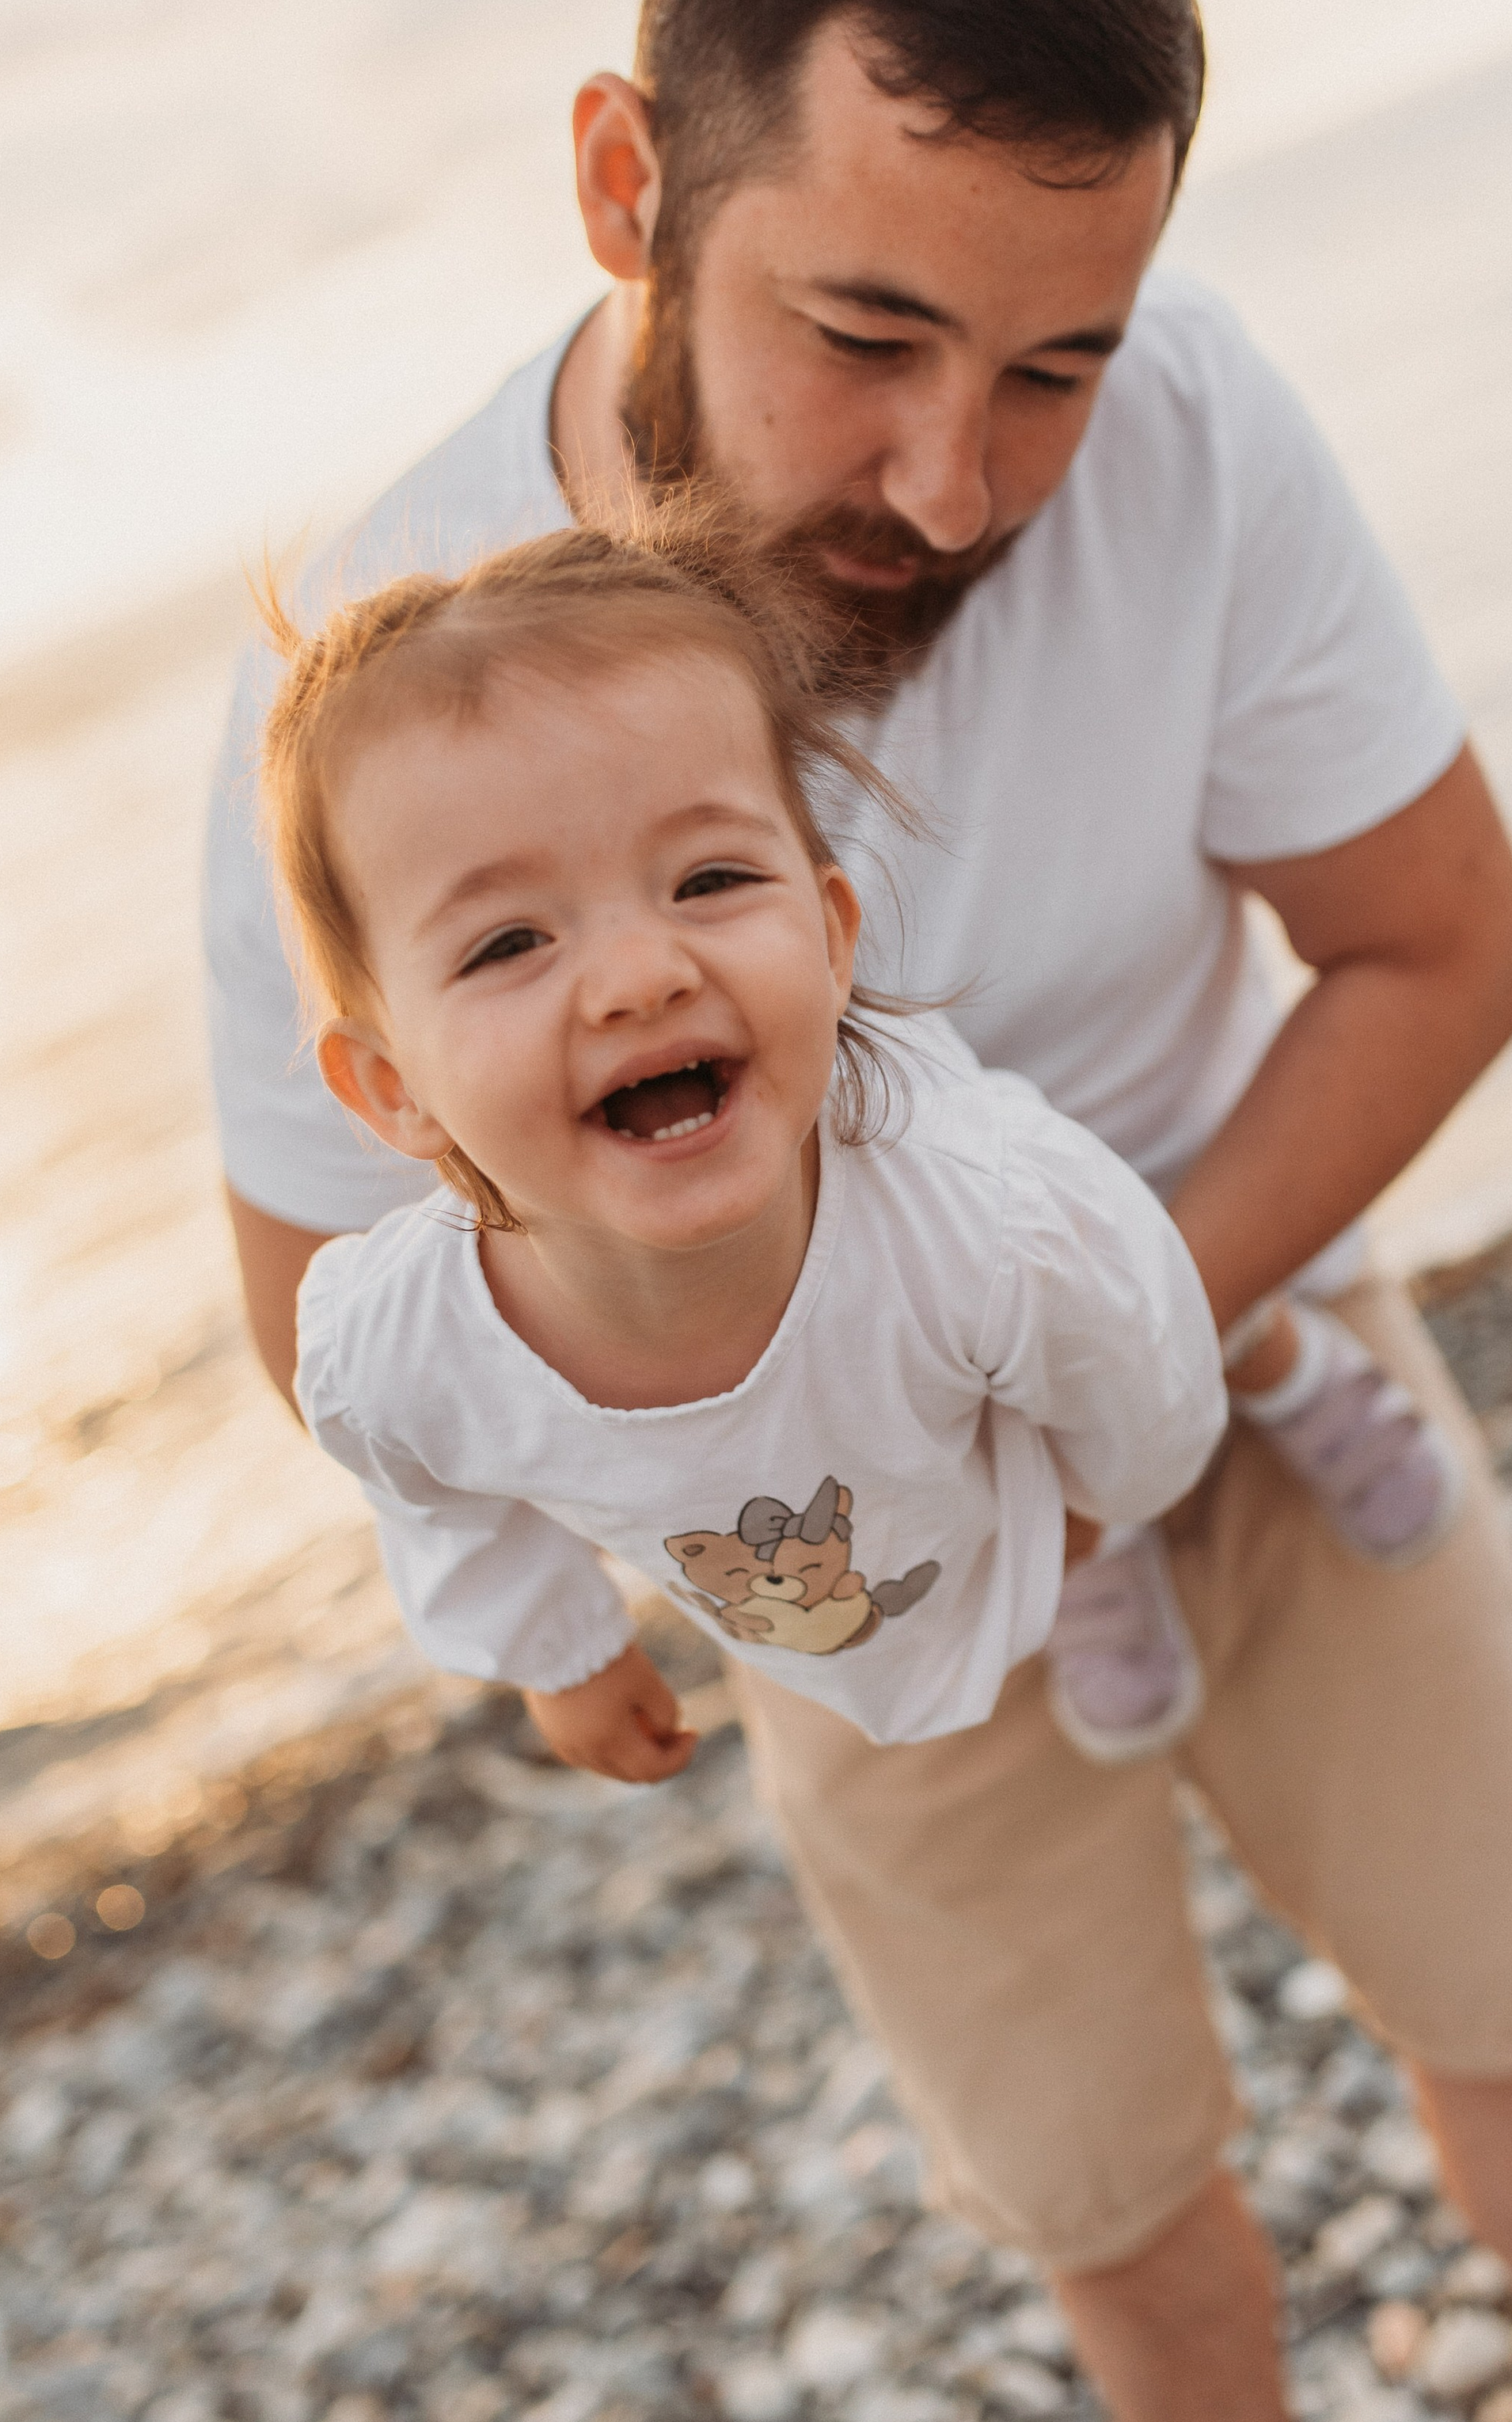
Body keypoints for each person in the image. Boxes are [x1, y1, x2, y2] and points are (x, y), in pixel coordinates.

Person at [204, 0, 1512, 2422]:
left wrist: (1131, 1339)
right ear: (634, 183)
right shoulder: (372, 681)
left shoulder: (1208, 418)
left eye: (1056, 367)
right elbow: (333, 1287)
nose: (961, 479)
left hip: (1243, 1327)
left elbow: (1443, 942)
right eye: (862, 332)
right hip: (814, 1539)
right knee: (1100, 2158)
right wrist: (607, 1571)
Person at [265, 516, 1227, 1759]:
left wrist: (1095, 1510)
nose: (639, 976)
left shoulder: (982, 1223)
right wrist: (563, 1655)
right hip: (834, 1620)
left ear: (831, 936)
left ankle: (1237, 1417)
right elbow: (437, 1493)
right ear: (394, 1087)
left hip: (1013, 1458)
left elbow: (1139, 1353)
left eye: (709, 879)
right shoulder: (401, 1350)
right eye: (510, 943)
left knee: (1059, 1364)